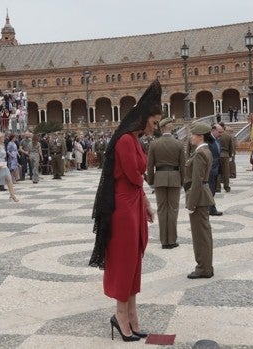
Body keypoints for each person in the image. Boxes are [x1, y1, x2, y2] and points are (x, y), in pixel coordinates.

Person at [89, 80, 160, 342]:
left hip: (132, 203)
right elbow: (133, 174)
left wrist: (147, 205)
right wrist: (143, 201)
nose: (155, 127)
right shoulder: (125, 141)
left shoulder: (135, 140)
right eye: (153, 122)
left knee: (134, 260)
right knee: (123, 260)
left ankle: (132, 315)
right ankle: (121, 315)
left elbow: (137, 181)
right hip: (122, 207)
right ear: (142, 119)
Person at [146, 117, 185, 249]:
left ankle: (164, 241)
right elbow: (183, 166)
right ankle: (172, 240)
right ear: (171, 127)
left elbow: (150, 166)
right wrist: (183, 181)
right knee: (173, 209)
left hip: (160, 178)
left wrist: (151, 181)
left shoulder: (154, 144)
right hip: (174, 178)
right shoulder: (179, 144)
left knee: (162, 210)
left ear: (161, 128)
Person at [184, 122, 215, 279]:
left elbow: (197, 181)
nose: (190, 137)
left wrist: (191, 203)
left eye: (193, 134)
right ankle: (207, 265)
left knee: (200, 235)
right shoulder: (202, 151)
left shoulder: (201, 153)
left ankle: (203, 268)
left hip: (199, 197)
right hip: (202, 196)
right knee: (204, 233)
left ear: (200, 136)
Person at [208, 124, 223, 216]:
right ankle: (211, 209)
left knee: (212, 190)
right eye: (219, 132)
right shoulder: (208, 140)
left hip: (216, 168)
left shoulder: (217, 140)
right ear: (213, 130)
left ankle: (210, 208)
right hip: (210, 169)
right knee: (210, 189)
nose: (221, 134)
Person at [218, 122, 234, 192]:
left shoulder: (216, 136)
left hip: (217, 154)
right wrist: (230, 155)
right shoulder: (228, 136)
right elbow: (231, 147)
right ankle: (226, 187)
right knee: (226, 172)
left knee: (217, 171)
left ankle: (217, 187)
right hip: (226, 155)